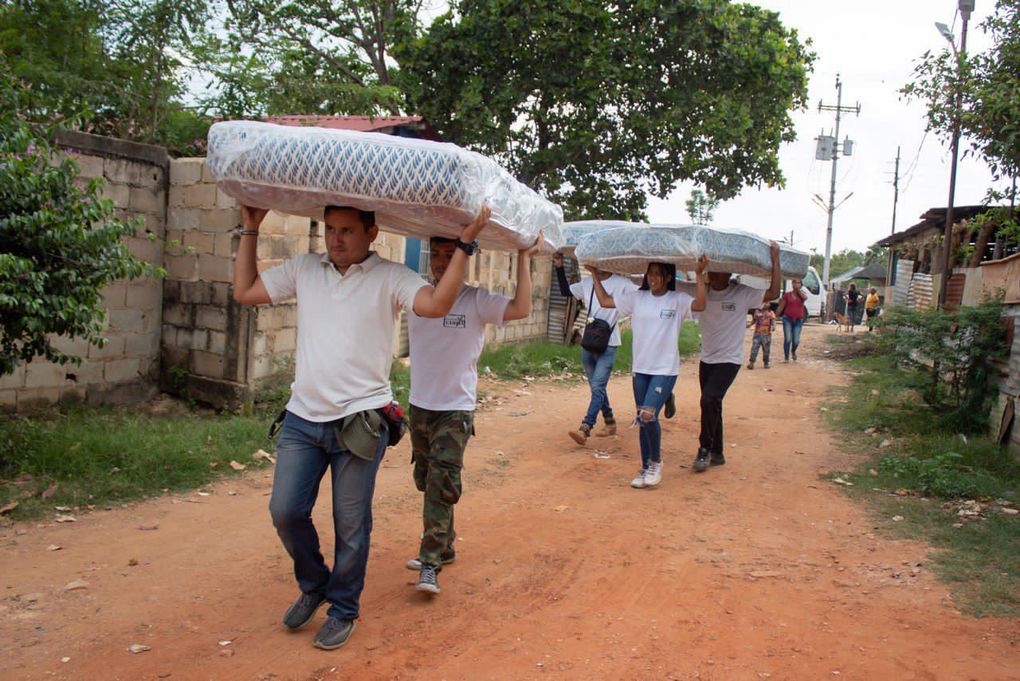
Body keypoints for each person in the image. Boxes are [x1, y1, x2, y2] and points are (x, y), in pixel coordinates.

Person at [232, 203, 488, 650]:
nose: (335, 239)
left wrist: (464, 244)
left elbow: (437, 303)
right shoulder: (307, 269)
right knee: (285, 511)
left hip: (360, 420)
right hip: (301, 419)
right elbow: (246, 291)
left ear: (371, 232)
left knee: (350, 523)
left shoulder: (391, 277)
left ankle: (343, 608)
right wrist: (251, 229)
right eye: (330, 230)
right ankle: (314, 584)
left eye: (347, 231)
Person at [405, 232, 543, 595]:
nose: (440, 261)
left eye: (449, 254)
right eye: (435, 254)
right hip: (419, 407)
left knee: (440, 485)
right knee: (425, 480)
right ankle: (445, 544)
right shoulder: (415, 296)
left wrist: (524, 259)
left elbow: (521, 309)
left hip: (455, 410)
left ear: (464, 258)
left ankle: (430, 563)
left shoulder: (475, 300)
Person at [588, 260, 700, 489]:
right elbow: (605, 301)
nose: (653, 278)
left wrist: (700, 276)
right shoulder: (638, 298)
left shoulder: (677, 300)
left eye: (659, 274)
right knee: (642, 417)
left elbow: (701, 305)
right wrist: (594, 276)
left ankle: (656, 463)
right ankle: (645, 466)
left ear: (669, 277)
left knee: (648, 414)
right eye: (651, 274)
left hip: (665, 368)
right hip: (641, 368)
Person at [690, 242, 781, 473]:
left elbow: (774, 293)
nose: (714, 274)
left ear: (729, 272)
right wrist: (698, 273)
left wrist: (775, 259)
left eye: (719, 270)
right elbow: (676, 288)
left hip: (729, 360)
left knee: (708, 400)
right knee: (713, 403)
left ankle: (703, 449)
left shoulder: (741, 294)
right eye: (712, 270)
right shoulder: (703, 293)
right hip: (707, 359)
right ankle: (717, 452)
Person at [553, 252, 639, 444]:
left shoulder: (621, 283)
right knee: (596, 388)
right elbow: (566, 291)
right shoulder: (586, 283)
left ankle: (586, 427)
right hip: (589, 342)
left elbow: (640, 294)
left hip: (609, 344)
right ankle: (609, 422)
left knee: (598, 387)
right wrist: (559, 266)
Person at [776, 278, 808, 362]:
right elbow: (781, 306)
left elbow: (805, 298)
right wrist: (775, 316)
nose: (796, 284)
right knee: (788, 338)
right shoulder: (787, 295)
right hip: (787, 318)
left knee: (796, 340)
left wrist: (798, 291)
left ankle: (793, 351)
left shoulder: (802, 295)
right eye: (794, 282)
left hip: (798, 320)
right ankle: (786, 357)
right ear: (792, 284)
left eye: (798, 283)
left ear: (801, 284)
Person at [747, 303, 775, 369]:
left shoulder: (771, 312)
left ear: (770, 304)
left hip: (767, 334)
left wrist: (774, 326)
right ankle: (751, 362)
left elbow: (773, 320)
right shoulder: (757, 311)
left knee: (766, 350)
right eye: (764, 302)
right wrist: (750, 324)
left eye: (767, 303)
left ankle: (766, 362)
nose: (765, 304)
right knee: (754, 348)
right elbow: (754, 319)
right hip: (757, 333)